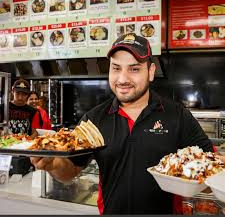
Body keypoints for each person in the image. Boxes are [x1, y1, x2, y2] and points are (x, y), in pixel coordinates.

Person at [31, 33, 224, 214]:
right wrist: (52, 164)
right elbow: (70, 171)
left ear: (150, 71)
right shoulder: (93, 119)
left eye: (134, 69)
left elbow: (213, 173)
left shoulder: (178, 116)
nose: (122, 79)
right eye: (116, 68)